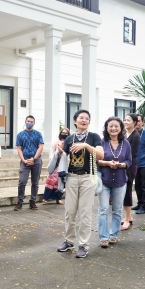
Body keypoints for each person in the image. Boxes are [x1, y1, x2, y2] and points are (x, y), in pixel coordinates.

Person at [57, 110, 104, 258]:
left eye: (87, 118)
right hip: (71, 177)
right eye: (81, 118)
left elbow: (101, 155)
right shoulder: (69, 138)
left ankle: (83, 245)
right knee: (69, 212)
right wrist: (59, 153)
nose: (84, 120)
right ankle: (69, 241)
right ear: (75, 121)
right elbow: (64, 158)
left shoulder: (94, 137)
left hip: (87, 178)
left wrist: (85, 146)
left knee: (85, 213)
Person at [97, 117, 132, 248]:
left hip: (120, 180)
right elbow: (96, 160)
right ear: (106, 128)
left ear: (121, 128)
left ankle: (114, 235)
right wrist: (106, 163)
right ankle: (103, 237)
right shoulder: (102, 142)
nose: (113, 128)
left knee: (117, 210)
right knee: (103, 209)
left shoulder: (126, 144)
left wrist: (122, 164)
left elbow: (129, 161)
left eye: (116, 126)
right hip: (104, 180)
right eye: (110, 126)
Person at [14, 115, 44, 211]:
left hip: (36, 161)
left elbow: (40, 147)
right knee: (22, 181)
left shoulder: (38, 134)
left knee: (35, 182)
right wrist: (23, 160)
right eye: (28, 121)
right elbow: (19, 149)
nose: (29, 123)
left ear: (34, 123)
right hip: (25, 161)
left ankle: (33, 201)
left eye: (31, 121)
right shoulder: (20, 135)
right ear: (25, 121)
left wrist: (34, 159)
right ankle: (20, 202)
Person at [121, 113, 140, 231]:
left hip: (130, 165)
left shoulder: (135, 136)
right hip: (122, 164)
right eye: (125, 120)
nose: (126, 122)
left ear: (134, 122)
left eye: (128, 120)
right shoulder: (123, 134)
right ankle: (128, 216)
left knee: (127, 190)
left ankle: (127, 219)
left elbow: (130, 153)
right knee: (122, 191)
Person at [42, 128, 70, 205]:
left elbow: (69, 155)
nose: (64, 134)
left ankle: (58, 198)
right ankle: (45, 198)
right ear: (60, 133)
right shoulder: (56, 142)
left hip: (63, 165)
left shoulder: (69, 143)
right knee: (50, 182)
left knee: (60, 182)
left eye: (66, 133)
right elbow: (51, 153)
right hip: (54, 165)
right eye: (63, 132)